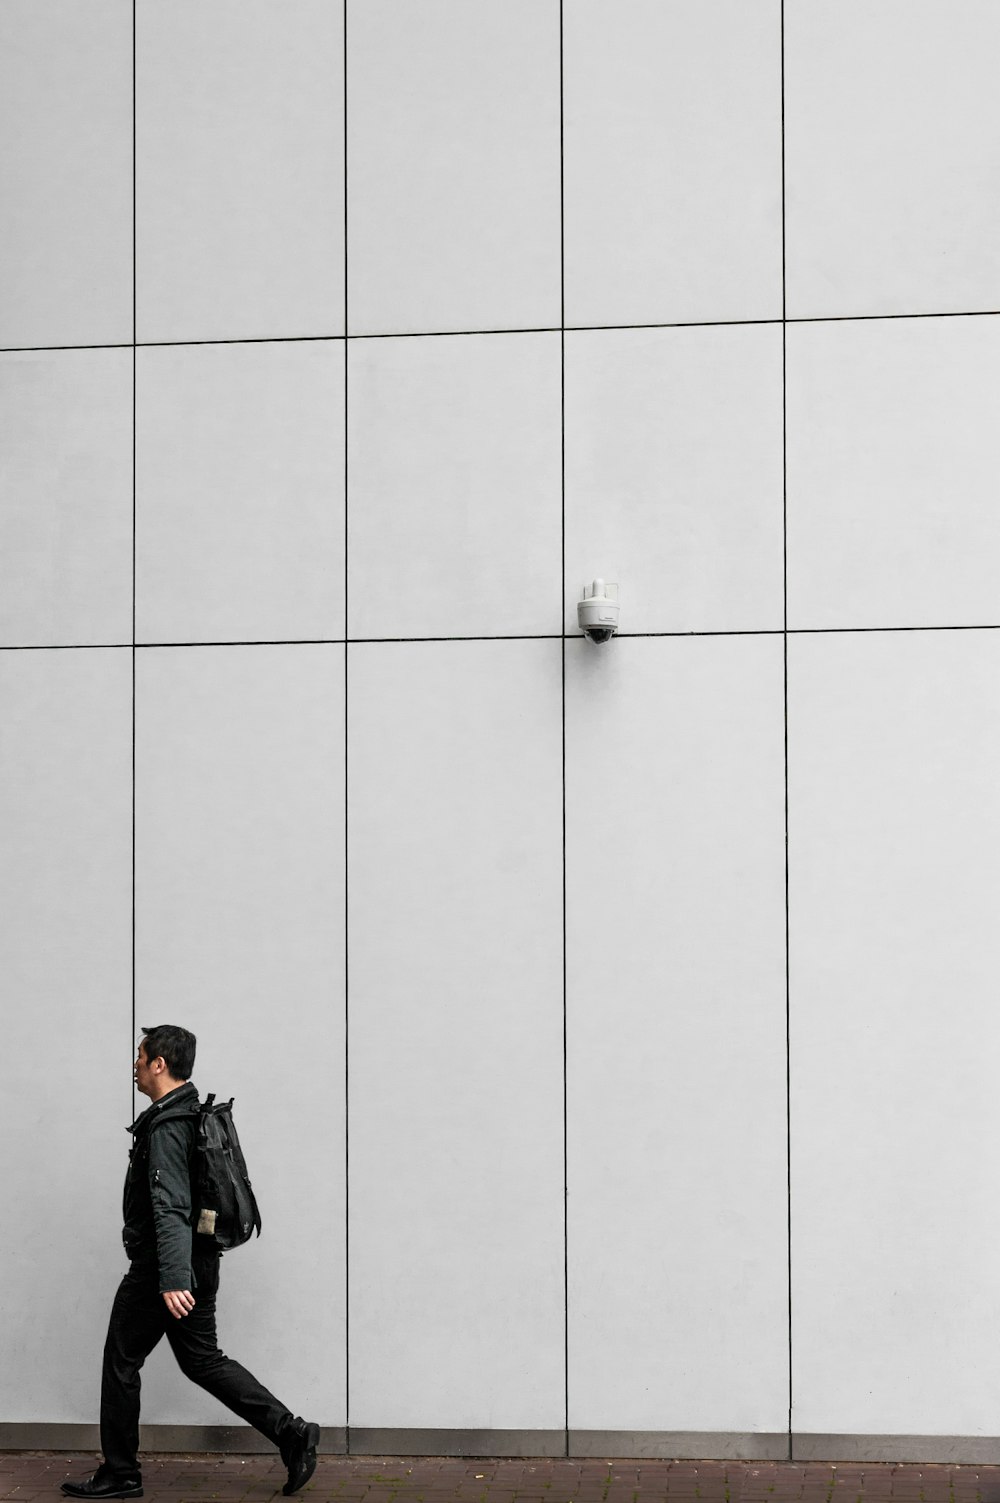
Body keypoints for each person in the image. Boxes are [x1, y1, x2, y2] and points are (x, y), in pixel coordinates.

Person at [62, 1025, 320, 1501]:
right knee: (202, 1360)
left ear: (159, 1063)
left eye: (139, 1056)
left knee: (121, 1360)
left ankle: (121, 1473)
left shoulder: (168, 1126)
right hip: (201, 1260)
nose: (135, 1065)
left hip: (166, 1267)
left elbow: (171, 1205)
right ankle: (292, 1433)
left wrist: (172, 1277)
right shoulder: (192, 1115)